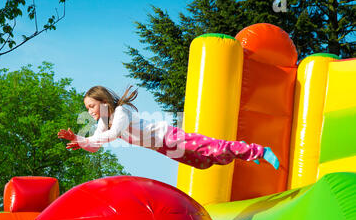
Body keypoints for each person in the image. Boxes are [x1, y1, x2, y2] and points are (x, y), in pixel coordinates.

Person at [57, 85, 279, 170]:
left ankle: (258, 151)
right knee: (203, 163)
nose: (90, 112)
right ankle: (239, 151)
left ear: (104, 102)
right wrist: (80, 139)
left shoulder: (121, 112)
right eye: (87, 108)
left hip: (168, 136)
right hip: (161, 148)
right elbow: (95, 147)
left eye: (91, 106)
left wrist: (84, 139)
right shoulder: (102, 123)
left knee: (210, 148)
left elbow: (113, 136)